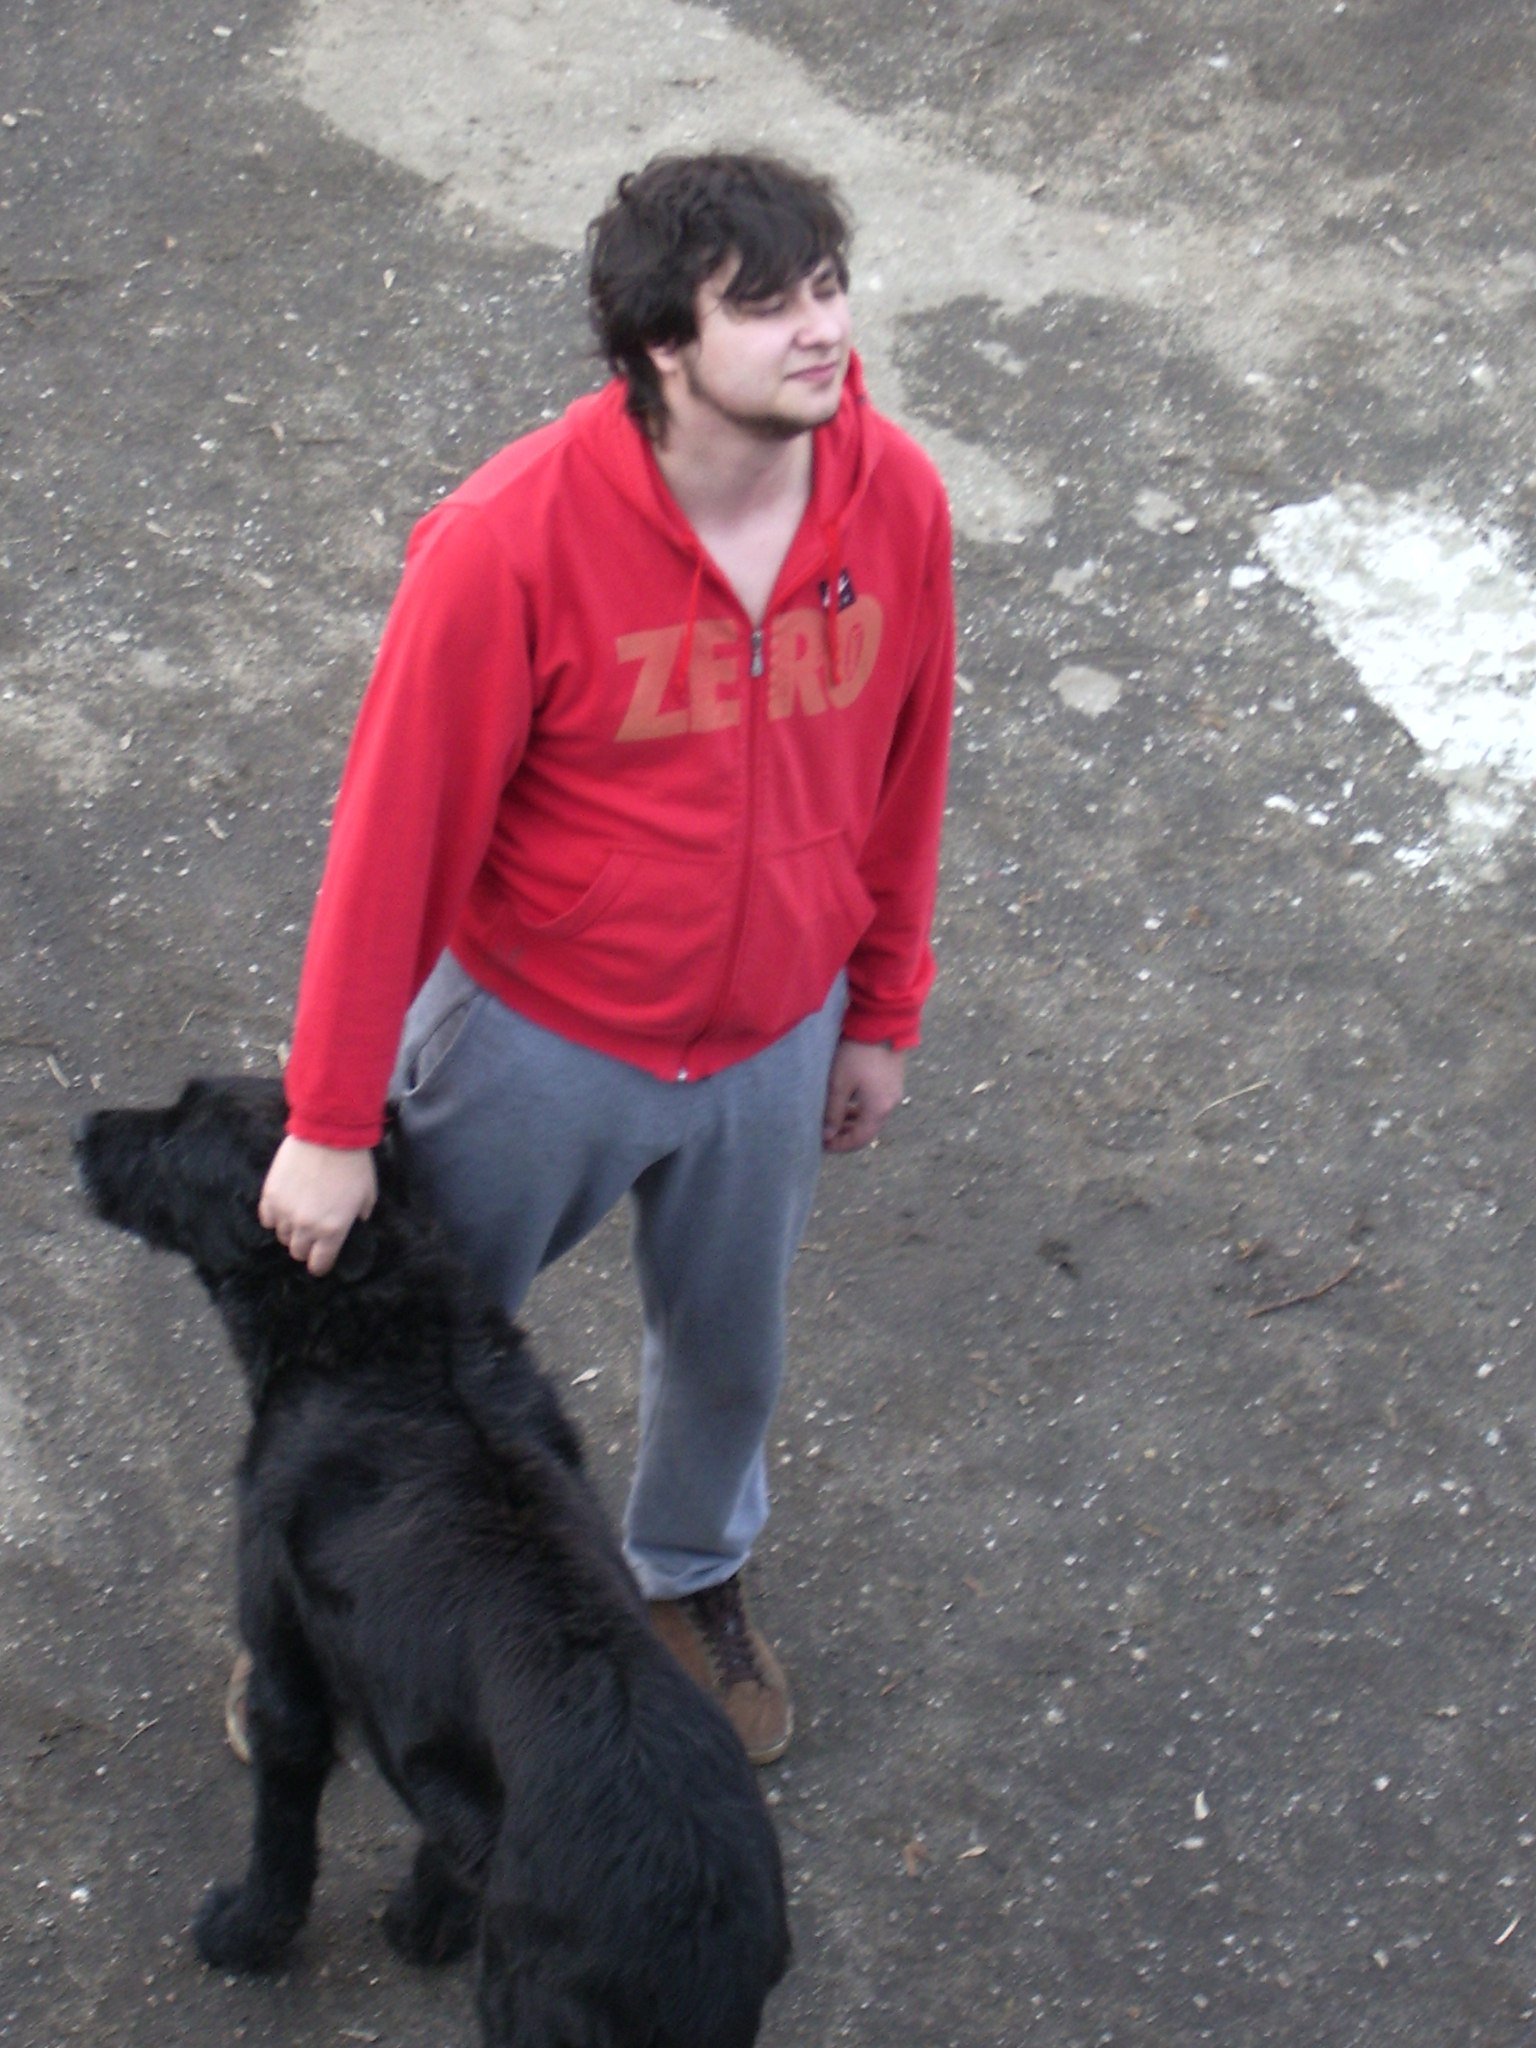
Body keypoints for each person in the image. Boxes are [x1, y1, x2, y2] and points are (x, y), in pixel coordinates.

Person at [252, 151, 954, 1765]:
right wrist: (331, 1120)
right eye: (763, 305)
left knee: (730, 1353)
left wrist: (878, 1008)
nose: (820, 329)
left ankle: (688, 1577)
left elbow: (906, 767)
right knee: (409, 1353)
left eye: (827, 286)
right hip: (536, 1037)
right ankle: (321, 1617)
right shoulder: (507, 542)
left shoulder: (897, 499)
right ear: (659, 345)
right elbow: (393, 843)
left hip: (774, 1034)